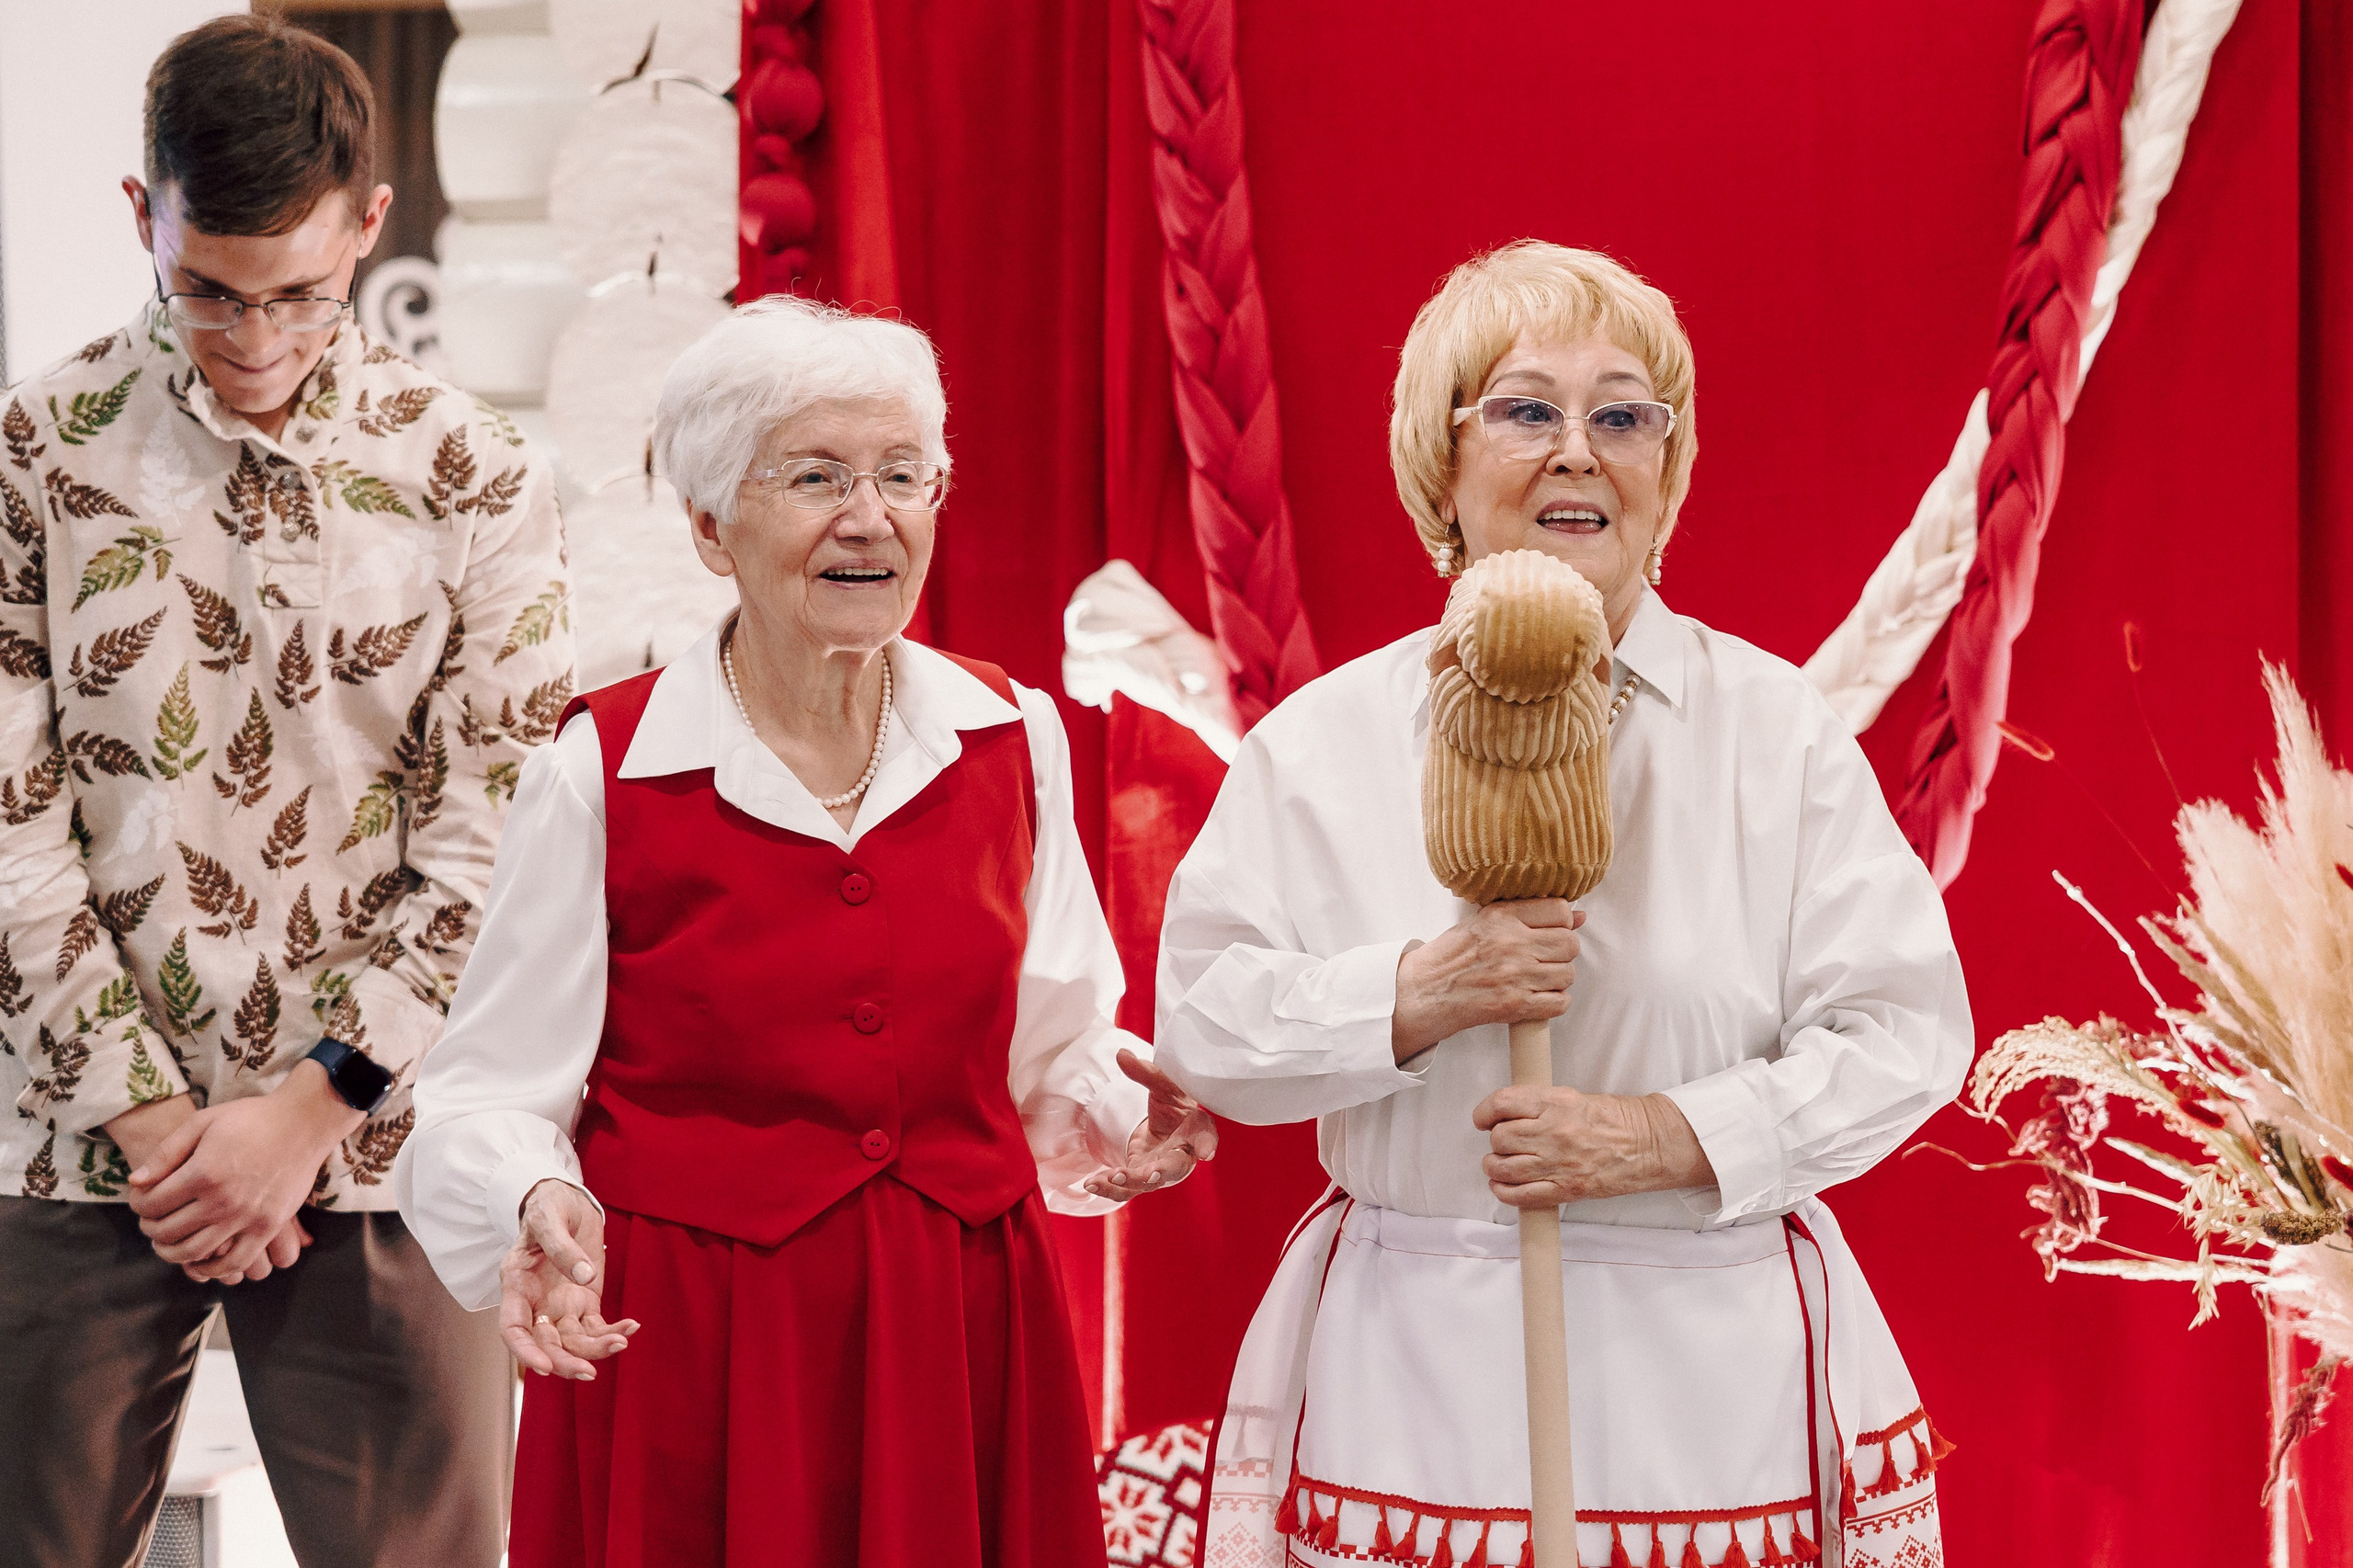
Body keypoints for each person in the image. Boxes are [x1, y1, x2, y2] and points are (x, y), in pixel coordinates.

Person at [1159, 242, 1972, 1568]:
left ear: (1668, 465)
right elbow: (1206, 1027)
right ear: (1445, 458)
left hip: (1714, 1389)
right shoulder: (1324, 743)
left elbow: (1904, 1034)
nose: (1580, 451)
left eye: (1624, 414)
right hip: (1413, 1383)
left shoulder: (1777, 734)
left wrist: (1663, 1136)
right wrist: (1416, 993)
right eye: (1530, 409)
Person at [394, 295, 1213, 1568]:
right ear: (713, 527)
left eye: (903, 475)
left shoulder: (1016, 738)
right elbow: (483, 1093)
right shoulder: (603, 769)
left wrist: (1117, 1101)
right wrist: (536, 1190)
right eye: (817, 476)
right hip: (698, 1352)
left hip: (957, 1329)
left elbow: (1051, 1044)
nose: (870, 516)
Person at [0, 15, 572, 1568]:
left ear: (371, 229)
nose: (253, 339)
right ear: (144, 217)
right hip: (75, 1134)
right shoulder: (35, 454)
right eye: (207, 291)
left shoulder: (476, 474)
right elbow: (7, 829)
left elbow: (497, 842)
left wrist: (307, 1113)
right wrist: (157, 1121)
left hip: (381, 1149)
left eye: (301, 296)